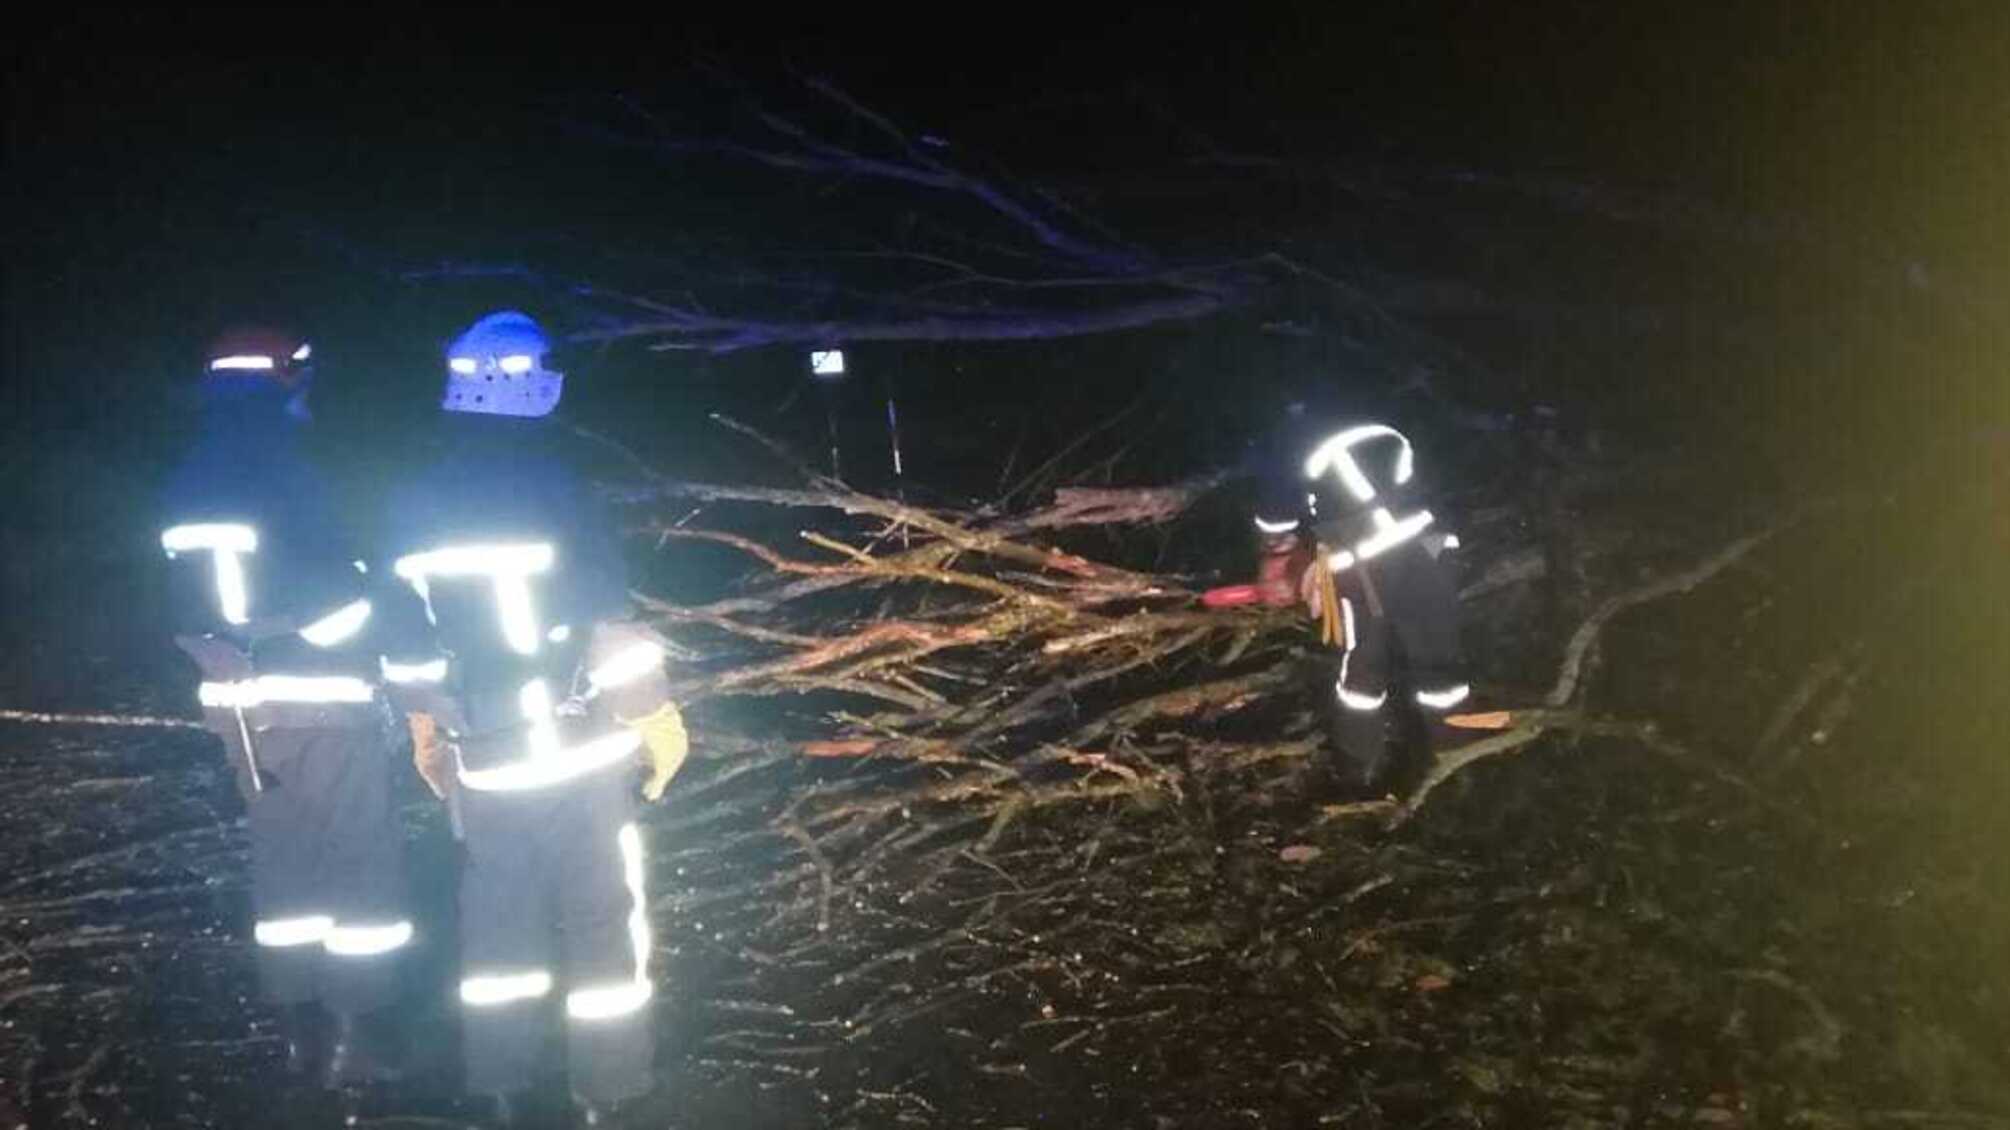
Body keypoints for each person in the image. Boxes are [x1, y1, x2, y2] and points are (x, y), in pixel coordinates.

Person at [381, 311, 688, 1126]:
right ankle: (608, 1092)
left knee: (496, 927)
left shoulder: (413, 499)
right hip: (581, 752)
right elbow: (609, 625)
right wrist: (656, 717)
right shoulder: (558, 486)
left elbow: (405, 645)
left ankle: (502, 1089)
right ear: (522, 383)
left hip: (482, 757)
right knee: (601, 920)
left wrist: (426, 726)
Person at [159, 326, 415, 1091]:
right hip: (322, 699)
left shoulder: (189, 473)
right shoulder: (288, 470)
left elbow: (178, 604)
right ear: (281, 379)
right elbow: (329, 602)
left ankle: (298, 1033)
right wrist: (379, 607)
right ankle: (358, 1037)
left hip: (241, 714)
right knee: (360, 862)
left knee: (283, 861)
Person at [1248, 404, 1471, 792]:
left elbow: (1276, 519)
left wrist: (1276, 559)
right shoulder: (1381, 412)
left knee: (1364, 668)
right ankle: (1461, 761)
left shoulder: (1289, 440)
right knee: (1439, 660)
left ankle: (1357, 773)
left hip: (1365, 560)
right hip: (1431, 544)